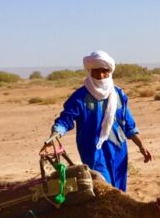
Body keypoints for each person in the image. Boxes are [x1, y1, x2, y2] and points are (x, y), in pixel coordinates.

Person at [48, 50, 151, 191]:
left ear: (110, 72)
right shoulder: (80, 96)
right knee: (104, 187)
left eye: (104, 71)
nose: (101, 75)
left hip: (118, 148)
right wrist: (55, 134)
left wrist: (141, 146)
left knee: (120, 188)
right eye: (97, 71)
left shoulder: (118, 94)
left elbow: (128, 124)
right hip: (93, 150)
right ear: (90, 72)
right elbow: (66, 119)